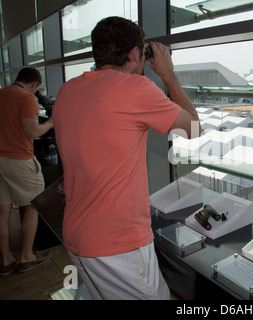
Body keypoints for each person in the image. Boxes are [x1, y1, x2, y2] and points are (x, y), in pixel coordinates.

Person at [53, 16, 202, 300]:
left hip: (76, 236)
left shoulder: (67, 91)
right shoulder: (135, 89)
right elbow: (194, 128)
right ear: (135, 53)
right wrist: (168, 75)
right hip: (118, 245)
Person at [0, 67, 54, 276]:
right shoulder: (26, 98)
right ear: (34, 85)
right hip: (19, 160)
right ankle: (26, 256)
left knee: (2, 212)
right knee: (33, 206)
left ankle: (5, 260)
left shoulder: (2, 93)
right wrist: (51, 122)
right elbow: (32, 131)